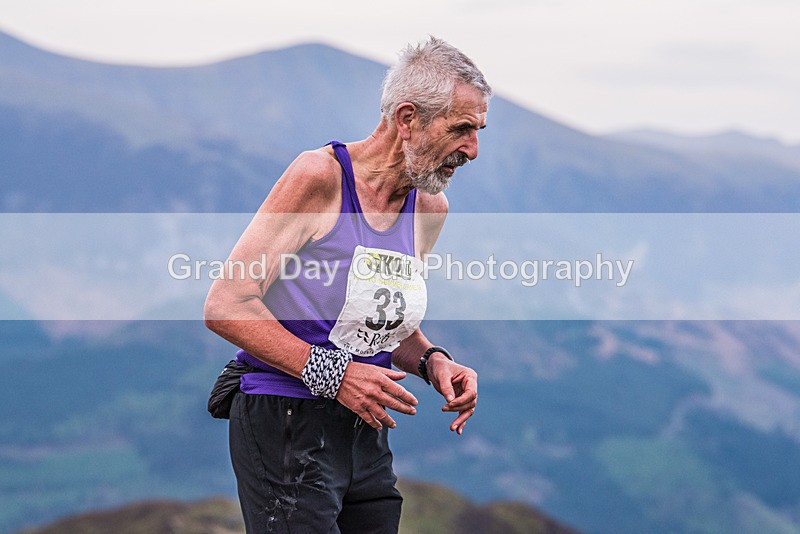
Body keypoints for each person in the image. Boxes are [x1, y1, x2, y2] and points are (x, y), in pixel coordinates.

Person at [204, 36, 491, 533]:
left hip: (363, 425)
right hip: (285, 417)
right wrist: (335, 374)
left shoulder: (429, 208)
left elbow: (380, 321)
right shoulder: (320, 178)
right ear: (407, 119)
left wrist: (433, 362)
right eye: (462, 129)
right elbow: (226, 304)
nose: (473, 149)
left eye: (479, 130)